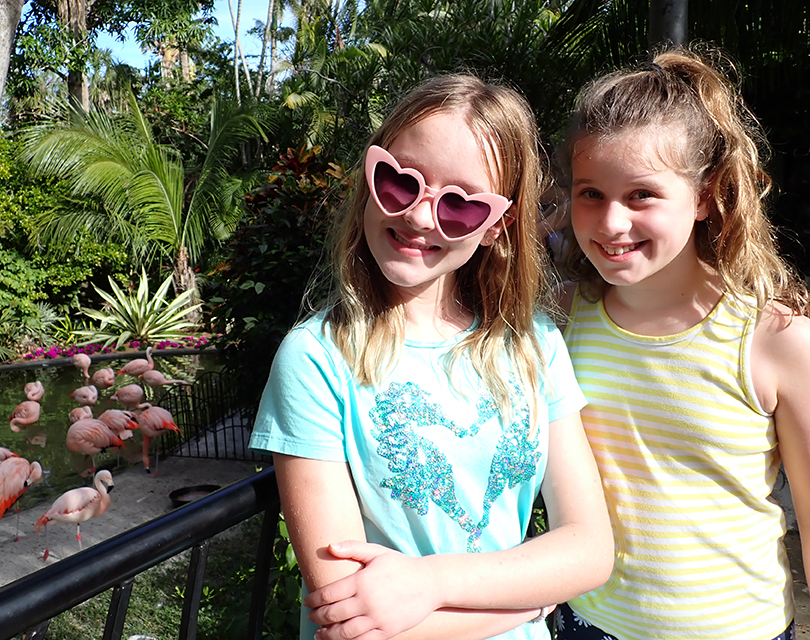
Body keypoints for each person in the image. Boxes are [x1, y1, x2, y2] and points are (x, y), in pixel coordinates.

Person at [249, 74, 613, 640]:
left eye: (459, 207)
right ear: (369, 178)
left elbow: (589, 550)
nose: (420, 217)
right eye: (400, 182)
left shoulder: (535, 344)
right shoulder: (317, 359)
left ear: (497, 226)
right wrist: (528, 599)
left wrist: (429, 585)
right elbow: (349, 619)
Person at [554, 47, 810, 640]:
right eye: (590, 193)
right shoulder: (561, 322)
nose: (610, 223)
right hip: (587, 627)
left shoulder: (778, 344)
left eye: (641, 195)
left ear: (706, 195)